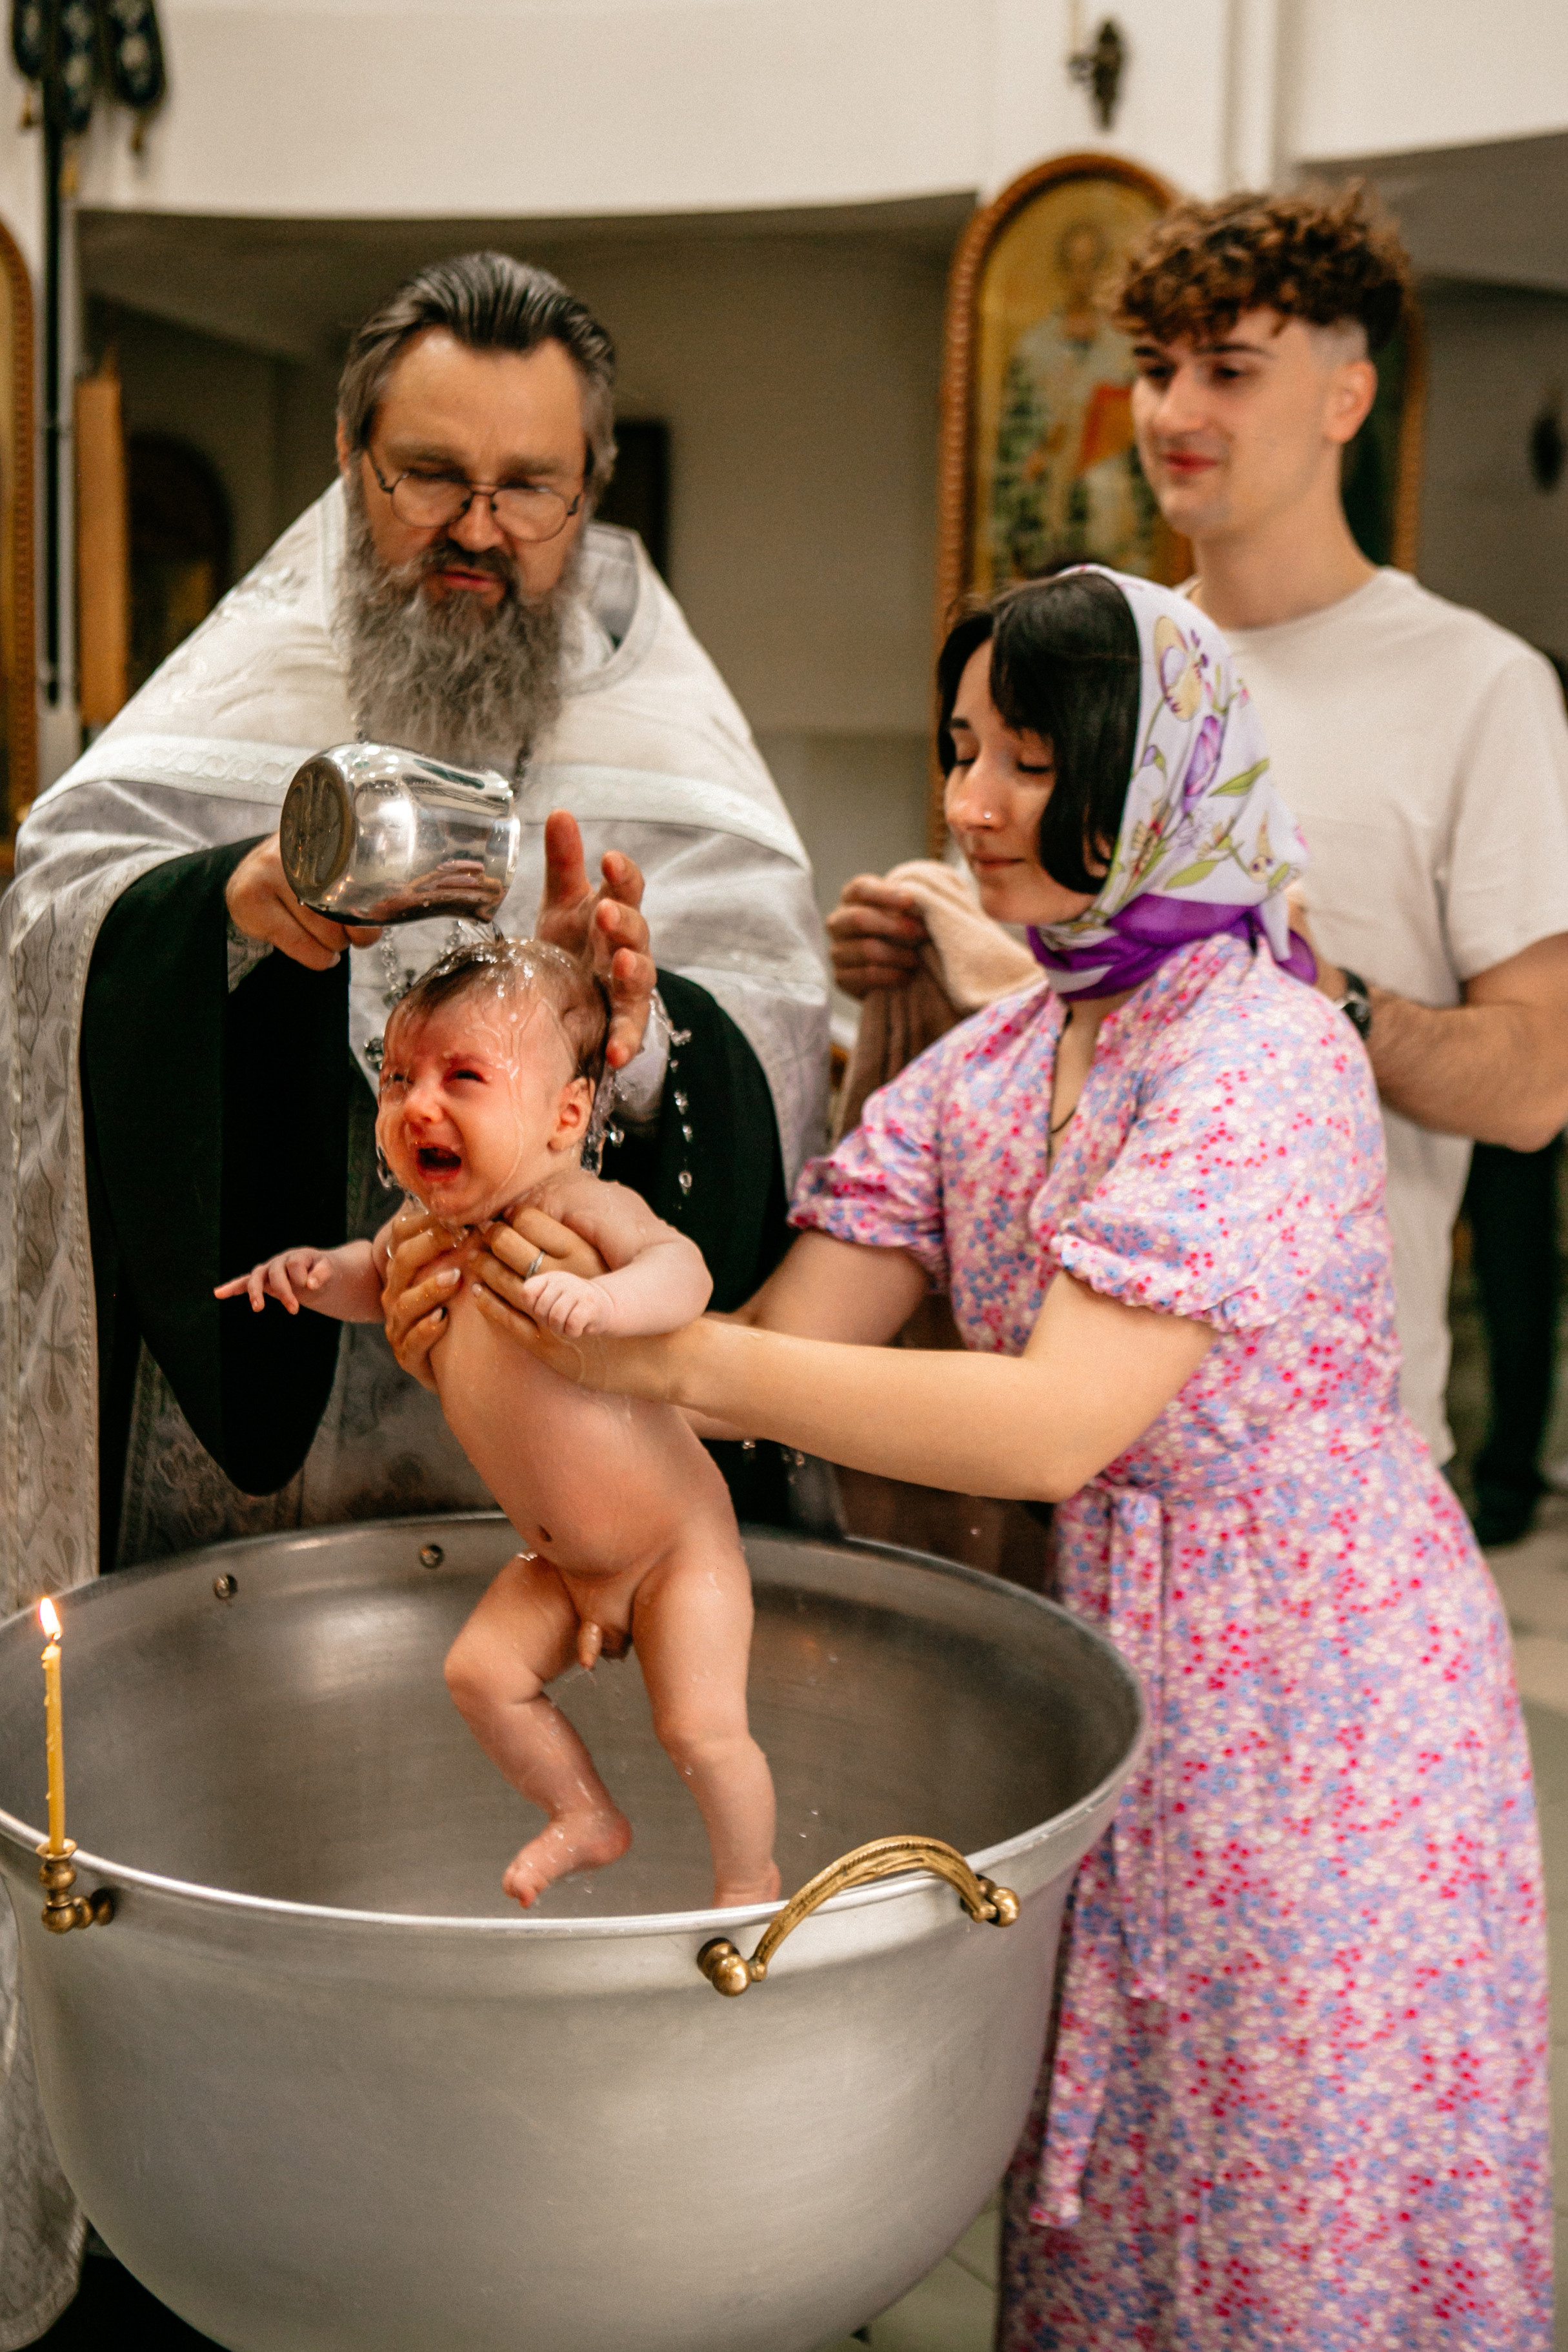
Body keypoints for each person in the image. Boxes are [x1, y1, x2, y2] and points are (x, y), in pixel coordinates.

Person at [421, 569, 1552, 2346]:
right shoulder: (1001, 1056)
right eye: (960, 749)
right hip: (1103, 1646)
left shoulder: (1259, 1048)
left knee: (1286, 2175)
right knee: (1109, 2174)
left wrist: (672, 1343)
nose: (968, 804)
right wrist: (557, 1132)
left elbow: (1051, 1417)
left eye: (1030, 759)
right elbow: (767, 1358)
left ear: (1157, 773)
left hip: (1314, 1693)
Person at [0, 252, 824, 2343]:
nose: (477, 530)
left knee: (555, 2079)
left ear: (593, 485)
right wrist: (237, 918)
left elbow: (764, 1054)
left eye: (528, 487)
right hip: (247, 1500)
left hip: (568, 1476)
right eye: (430, 474)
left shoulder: (673, 748)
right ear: (351, 461)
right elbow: (52, 946)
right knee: (272, 1962)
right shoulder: (237, 686)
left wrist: (628, 1029)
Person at [832, 183, 1568, 1496]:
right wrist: (930, 951)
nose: (1172, 413)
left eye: (1228, 370)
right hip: (1048, 1408)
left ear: (1347, 397)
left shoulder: (1480, 684)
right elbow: (1043, 1010)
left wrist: (1312, 991)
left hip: (1305, 1453)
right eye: (1158, 369)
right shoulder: (1102, 663)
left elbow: (1535, 1084)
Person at [218, 936, 778, 1912]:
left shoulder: (585, 1206)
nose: (417, 1105)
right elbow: (370, 1274)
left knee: (699, 1728)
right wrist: (311, 1273)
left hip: (676, 1548)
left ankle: (750, 1878)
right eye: (397, 1078)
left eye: (462, 1077)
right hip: (561, 1567)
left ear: (566, 1114)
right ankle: (582, 1812)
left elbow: (681, 1269)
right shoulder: (422, 1230)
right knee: (479, 1674)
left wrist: (607, 1305)